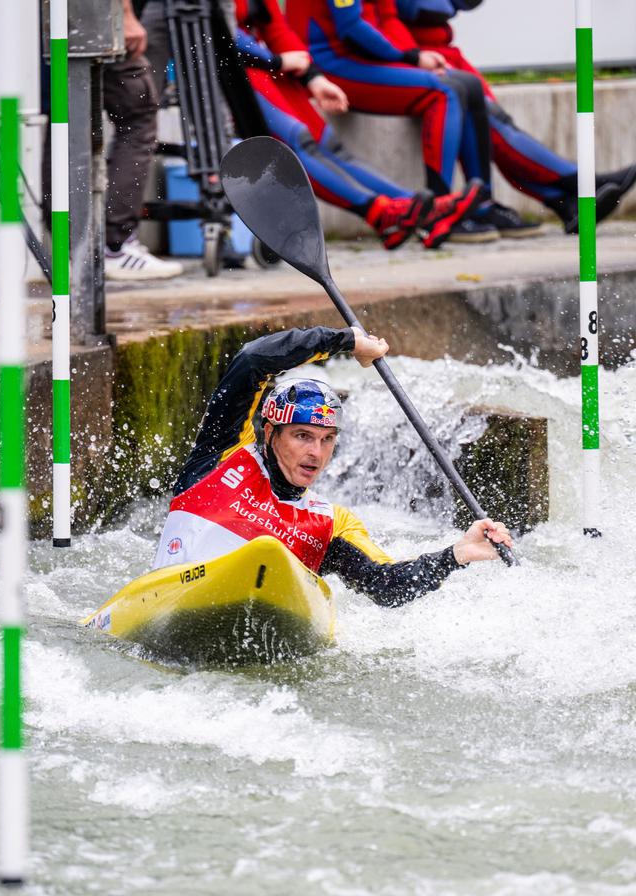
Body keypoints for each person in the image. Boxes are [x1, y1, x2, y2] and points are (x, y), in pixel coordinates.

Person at [154, 326, 513, 606]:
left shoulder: (330, 523)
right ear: (270, 433)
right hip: (168, 599)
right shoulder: (223, 455)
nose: (316, 452)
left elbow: (386, 586)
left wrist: (458, 554)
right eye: (302, 436)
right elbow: (252, 359)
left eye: (327, 439)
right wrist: (345, 341)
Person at [233, 0, 486, 250]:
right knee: (297, 141)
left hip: (268, 65)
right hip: (236, 71)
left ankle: (421, 209)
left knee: (329, 144)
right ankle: (381, 212)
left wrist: (312, 77)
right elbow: (219, 35)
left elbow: (277, 28)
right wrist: (276, 61)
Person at [285, 0, 542, 242]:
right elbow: (351, 29)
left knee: (468, 83)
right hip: (331, 63)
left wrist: (412, 54)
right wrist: (409, 57)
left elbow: (387, 18)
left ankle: (480, 204)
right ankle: (437, 213)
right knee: (445, 91)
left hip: (357, 57)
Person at [391, 0, 636, 233]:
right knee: (491, 123)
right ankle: (576, 186)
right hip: (412, 54)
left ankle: (566, 200)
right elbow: (414, 10)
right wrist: (414, 53)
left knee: (497, 121)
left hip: (438, 52)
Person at [103, 0, 184, 280]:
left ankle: (76, 246)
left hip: (60, 21)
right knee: (138, 115)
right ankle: (115, 246)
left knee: (69, 118)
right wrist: (123, 13)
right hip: (98, 15)